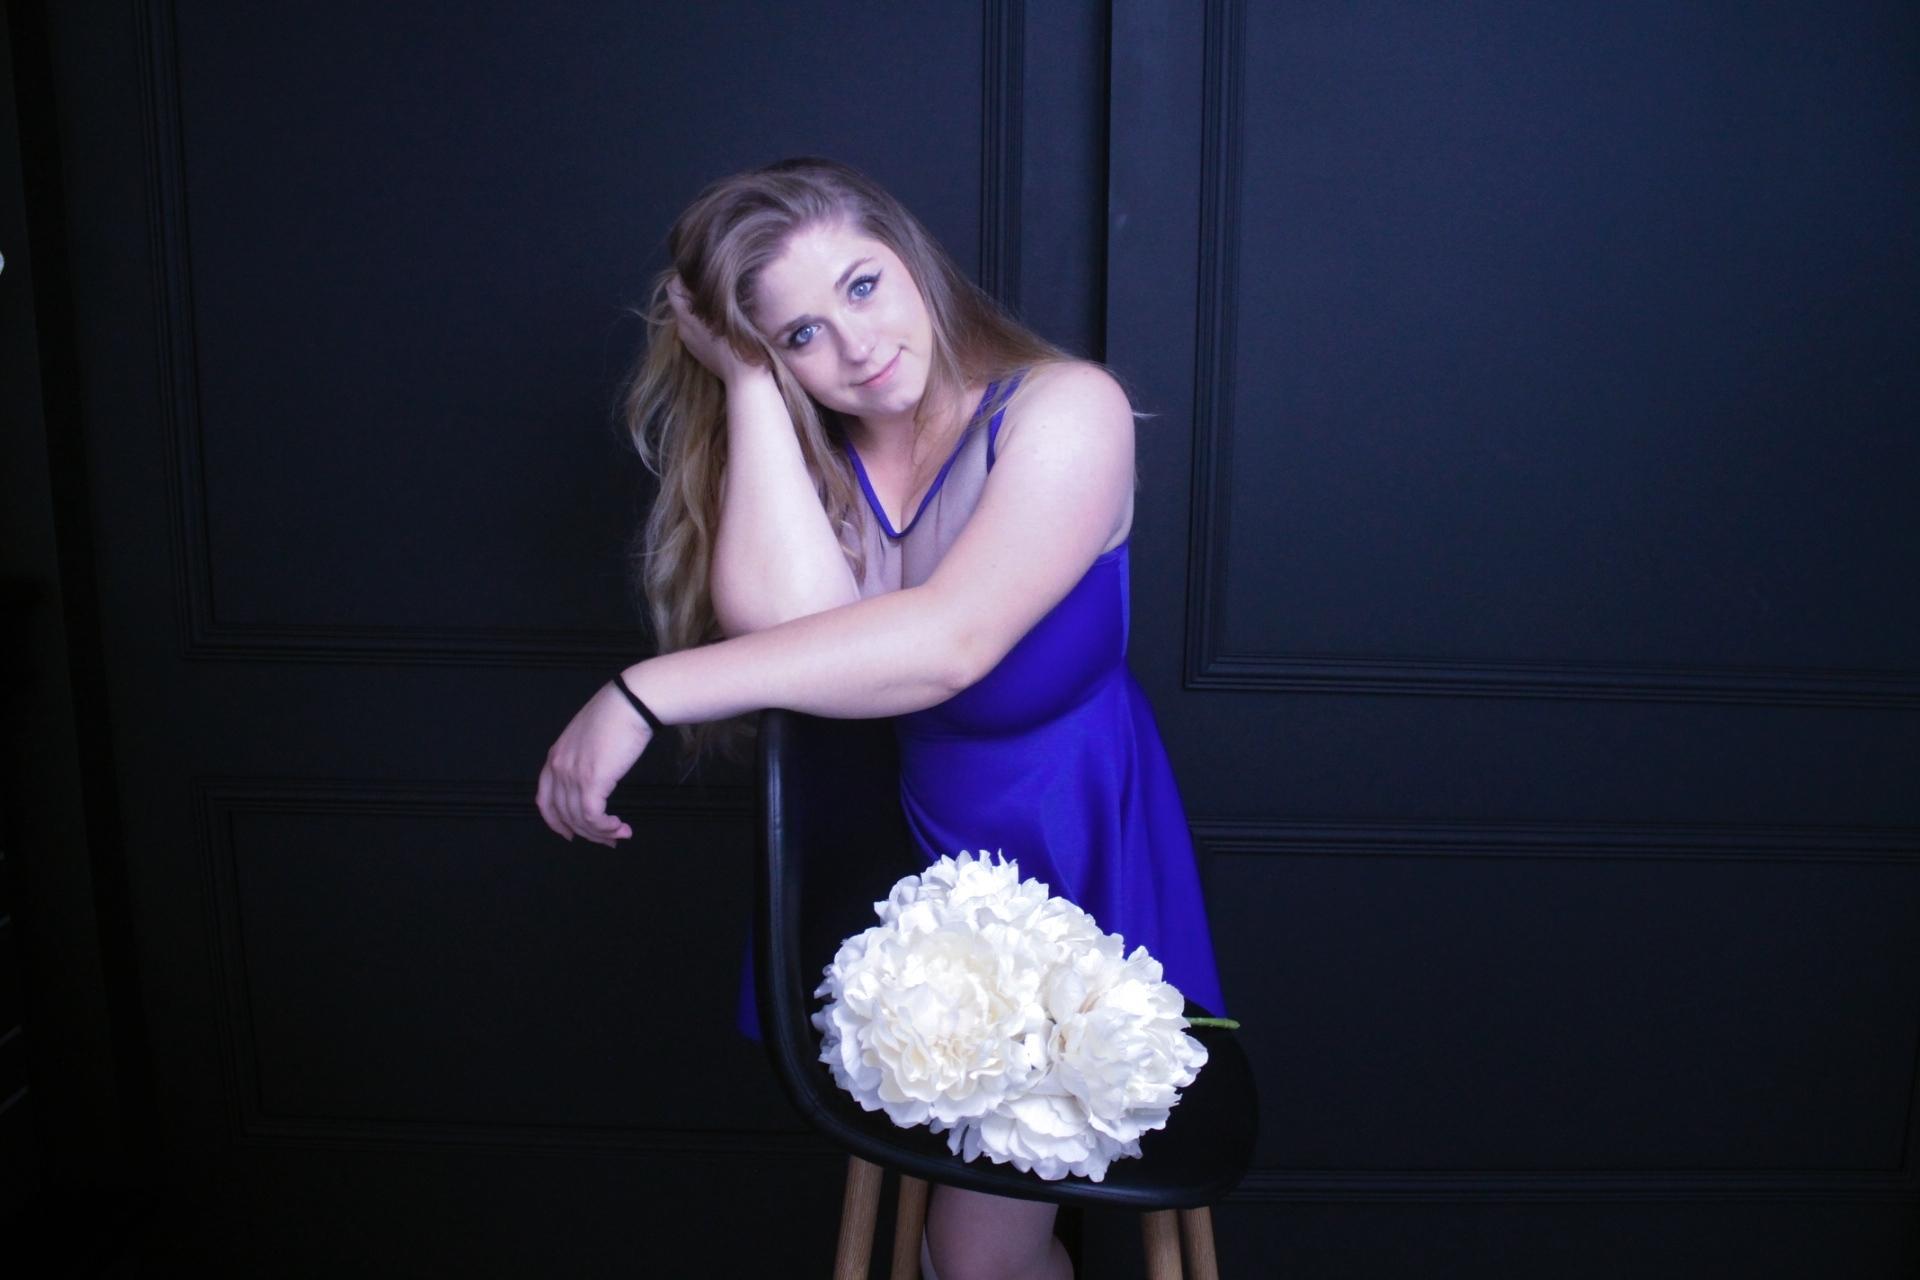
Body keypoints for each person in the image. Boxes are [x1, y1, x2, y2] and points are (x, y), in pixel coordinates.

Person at [536, 156, 1225, 1280]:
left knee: (978, 1257)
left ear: (912, 258)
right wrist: (751, 386)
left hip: (1070, 867)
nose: (855, 348)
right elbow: (792, 637)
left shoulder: (1068, 411)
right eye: (801, 334)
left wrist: (644, 690)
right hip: (900, 877)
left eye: (862, 285)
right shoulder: (829, 458)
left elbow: (948, 646)